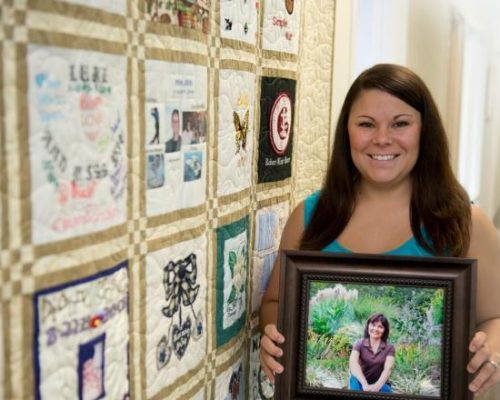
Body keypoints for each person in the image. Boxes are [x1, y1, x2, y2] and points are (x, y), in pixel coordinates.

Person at [259, 64, 500, 396]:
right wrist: (272, 333)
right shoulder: (310, 216)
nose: (382, 138)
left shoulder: (467, 223)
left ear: (424, 131)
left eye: (400, 123)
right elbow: (275, 302)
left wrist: (493, 349)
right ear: (347, 131)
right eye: (366, 124)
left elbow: (496, 317)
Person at [349, 313, 394, 392]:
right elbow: (353, 363)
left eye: (380, 327)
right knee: (354, 380)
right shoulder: (359, 343)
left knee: (387, 390)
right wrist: (364, 384)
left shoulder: (389, 348)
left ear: (384, 330)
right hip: (359, 381)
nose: (376, 329)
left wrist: (376, 387)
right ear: (368, 326)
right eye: (373, 325)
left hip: (379, 383)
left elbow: (388, 369)